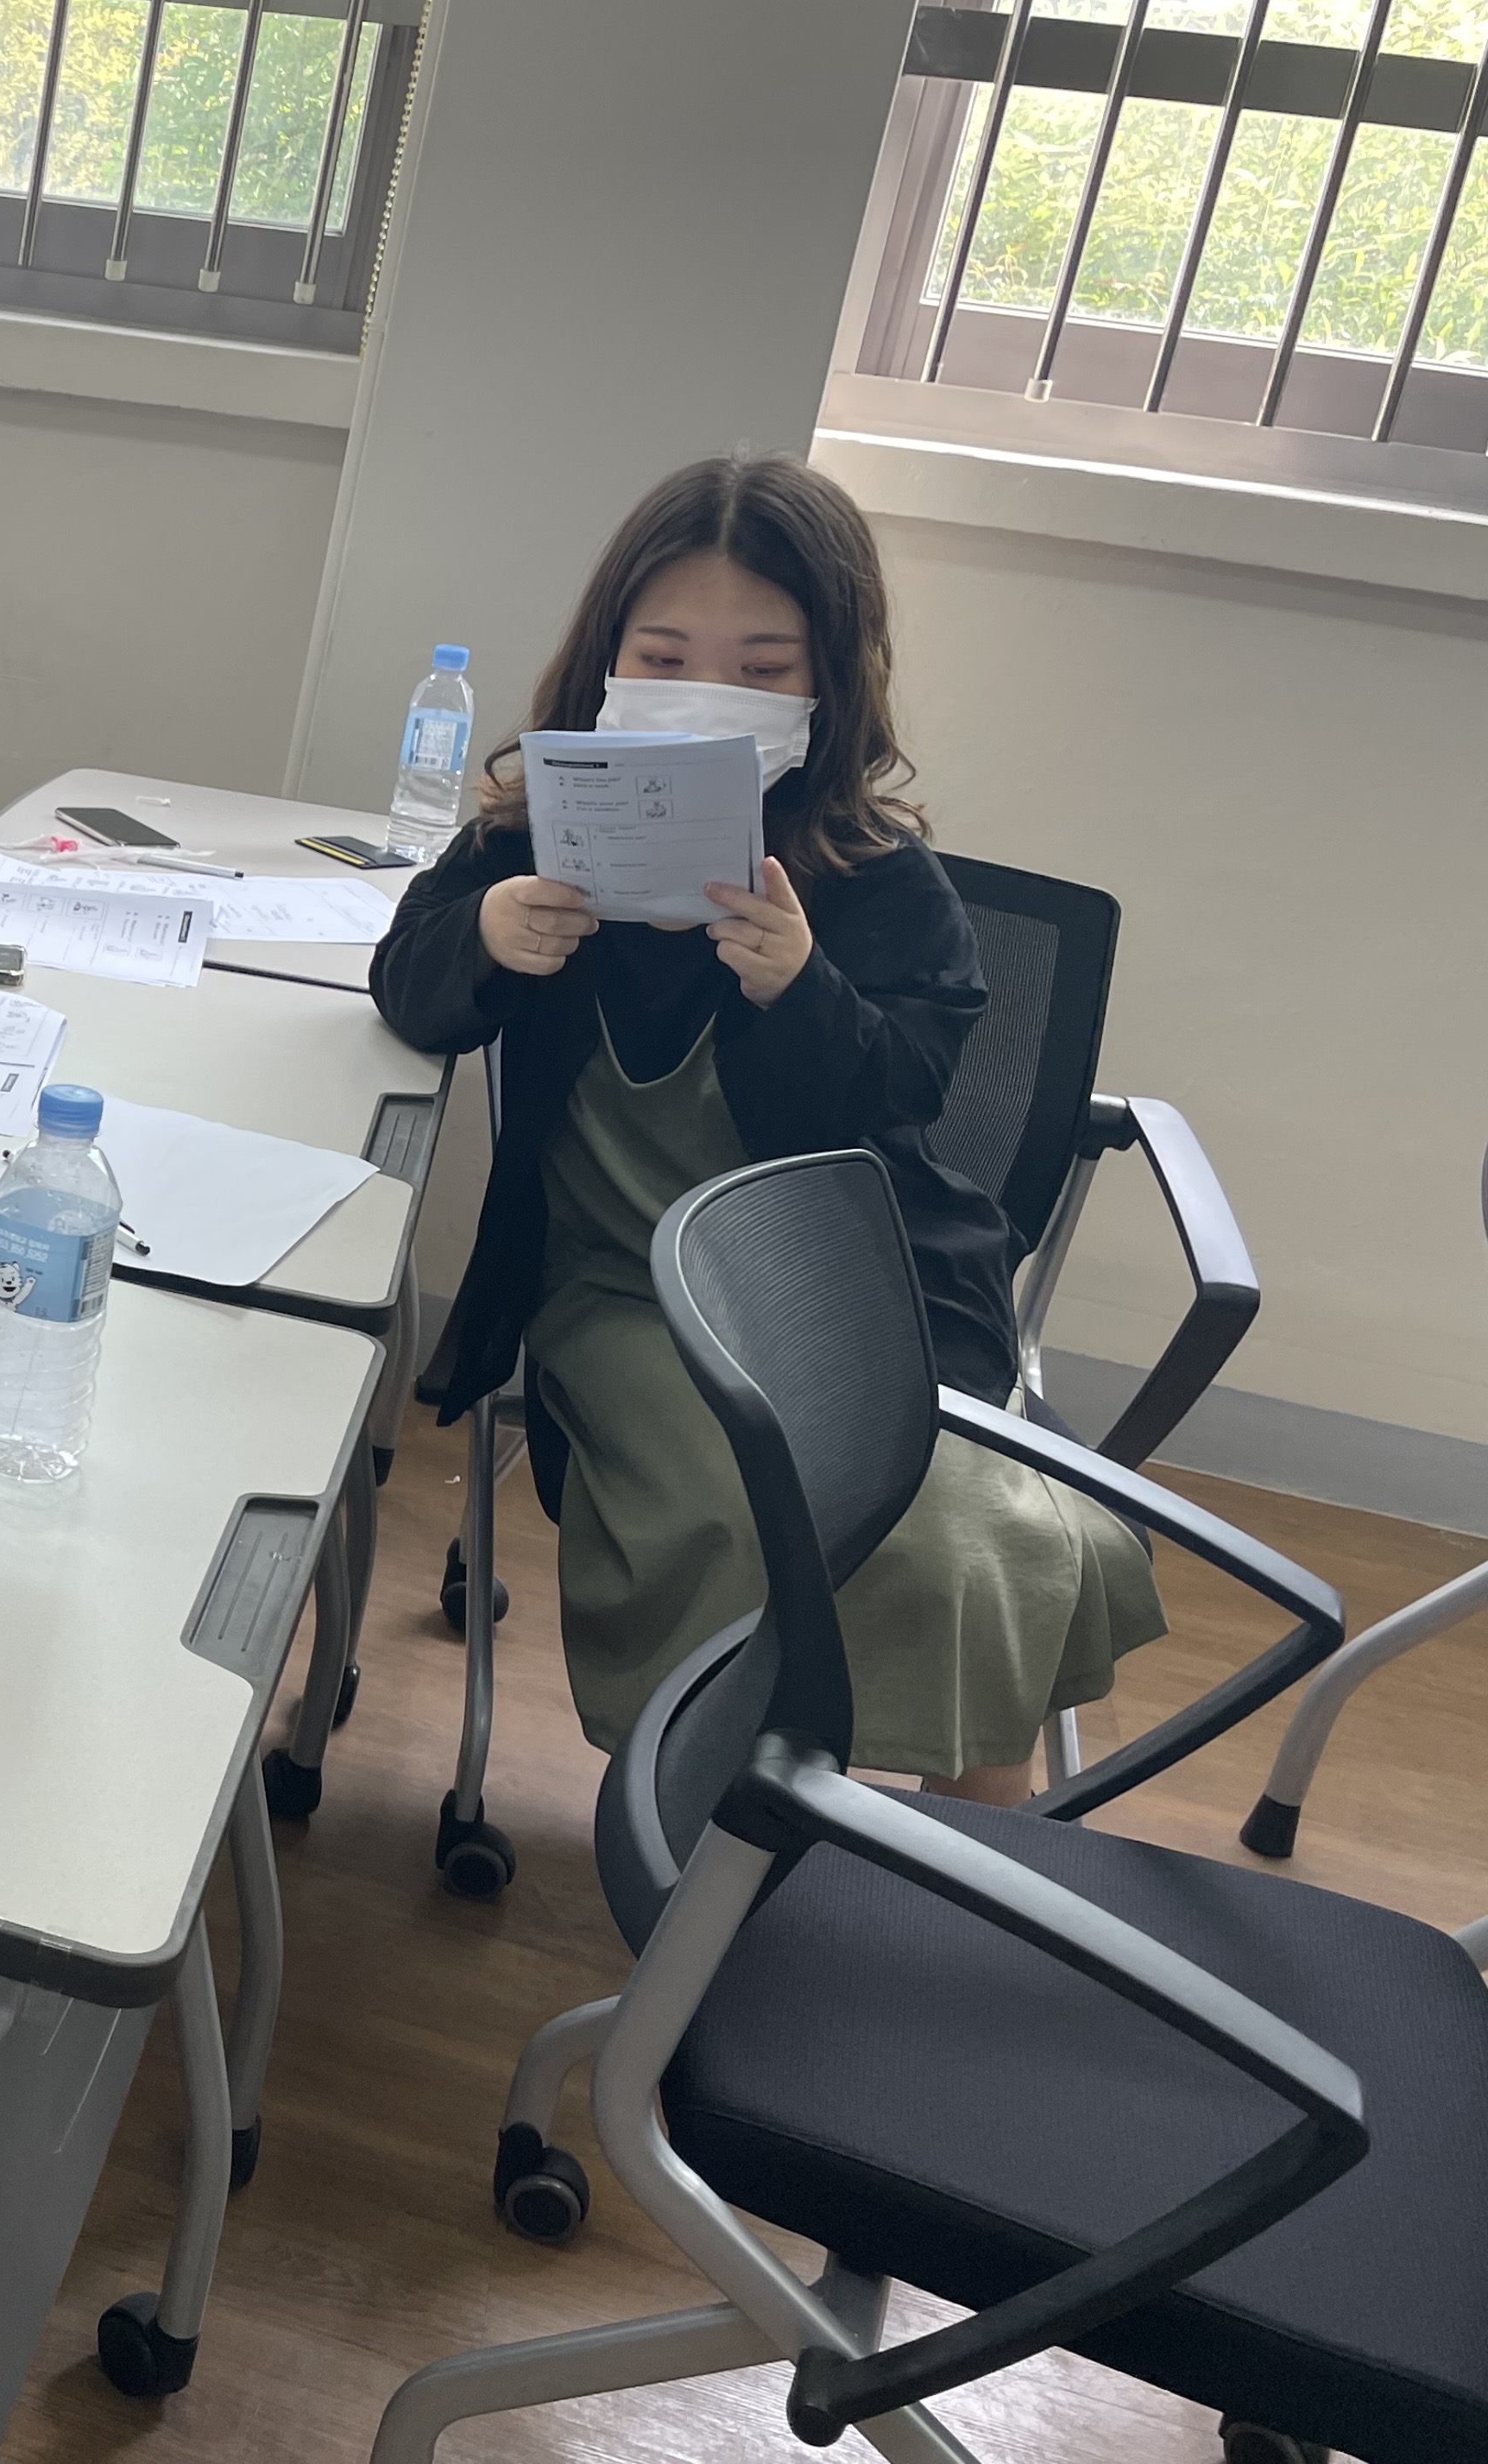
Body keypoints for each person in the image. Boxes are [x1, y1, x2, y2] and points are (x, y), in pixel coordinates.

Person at [370, 453, 1160, 1806]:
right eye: (664, 656)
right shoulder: (538, 836)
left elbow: (901, 1096)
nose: (704, 694)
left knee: (989, 1543)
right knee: (759, 1519)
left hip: (856, 1289)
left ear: (826, 686)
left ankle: (966, 1881)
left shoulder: (878, 879)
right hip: (630, 1295)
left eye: (760, 668)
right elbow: (411, 985)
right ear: (607, 661)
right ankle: (717, 1842)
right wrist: (488, 935)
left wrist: (802, 990)